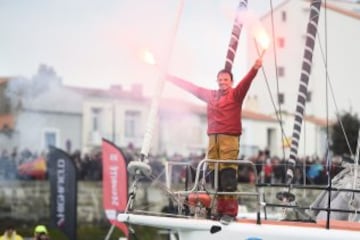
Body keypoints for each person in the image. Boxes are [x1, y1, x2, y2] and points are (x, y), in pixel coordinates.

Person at [167, 58, 262, 221]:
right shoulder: (211, 95)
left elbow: (247, 82)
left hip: (229, 139)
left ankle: (229, 212)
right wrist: (169, 77)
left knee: (227, 173)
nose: (222, 82)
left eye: (225, 79)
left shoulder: (236, 94)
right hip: (213, 139)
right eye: (220, 79)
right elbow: (192, 88)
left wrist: (254, 68)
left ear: (231, 81)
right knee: (214, 173)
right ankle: (219, 209)